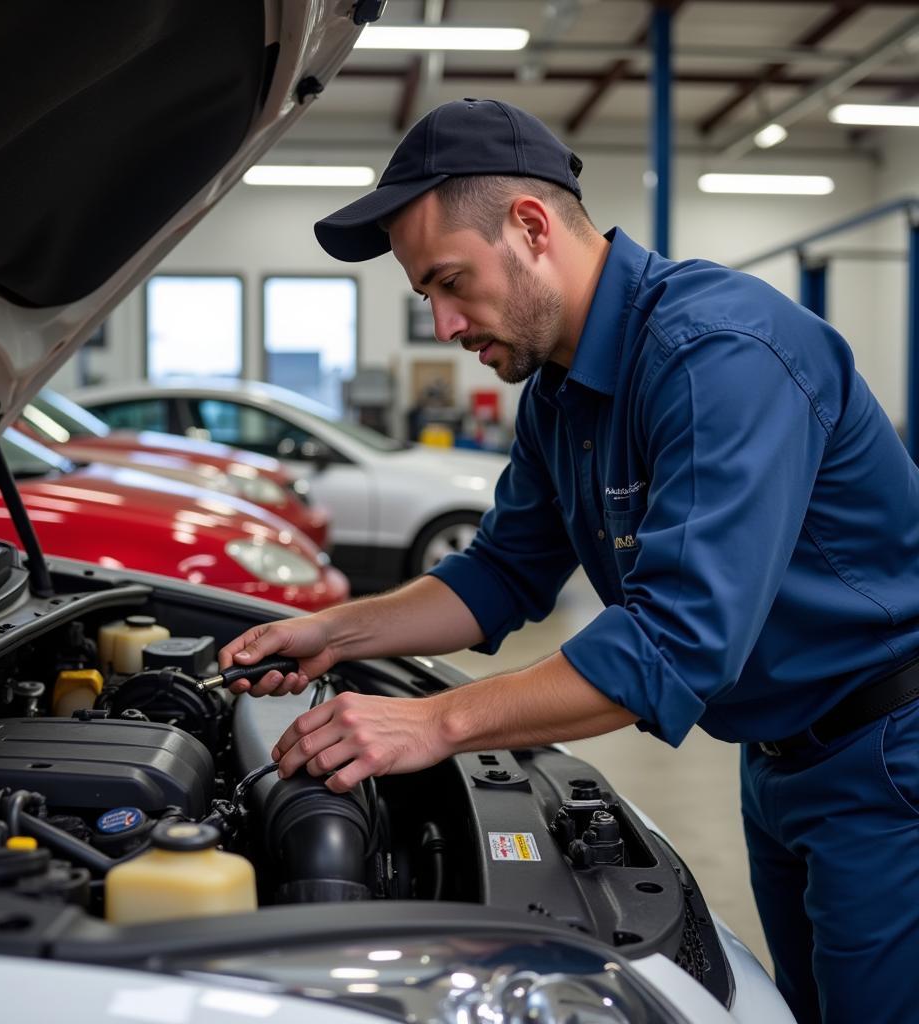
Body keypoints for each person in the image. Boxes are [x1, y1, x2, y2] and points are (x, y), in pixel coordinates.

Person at [219, 99, 919, 1024]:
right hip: (781, 758)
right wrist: (335, 630)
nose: (443, 324)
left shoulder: (717, 356)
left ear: (532, 227)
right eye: (425, 294)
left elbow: (675, 649)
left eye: (451, 280)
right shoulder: (560, 391)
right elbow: (503, 574)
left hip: (886, 760)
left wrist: (432, 723)